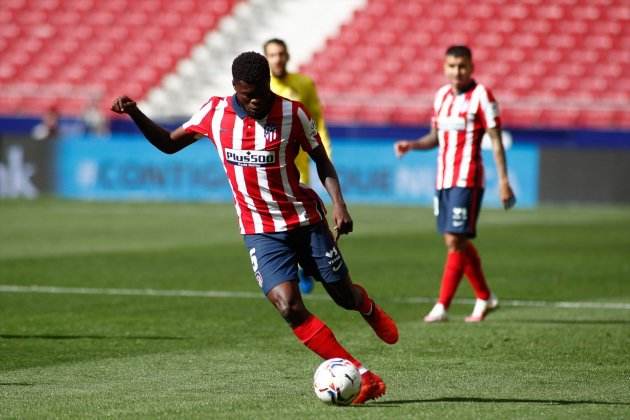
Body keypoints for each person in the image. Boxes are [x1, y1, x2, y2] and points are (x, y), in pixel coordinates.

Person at [111, 51, 398, 404]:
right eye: (249, 94)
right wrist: (137, 113)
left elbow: (321, 160)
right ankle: (362, 373)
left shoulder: (293, 113)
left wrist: (339, 203)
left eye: (262, 91)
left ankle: (365, 306)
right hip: (260, 230)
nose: (257, 99)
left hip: (305, 222)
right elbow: (169, 145)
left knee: (341, 295)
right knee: (289, 306)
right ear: (235, 87)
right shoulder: (214, 113)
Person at [394, 45, 516, 323]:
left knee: (455, 240)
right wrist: (412, 145)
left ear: (471, 67)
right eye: (451, 66)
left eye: (461, 66)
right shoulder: (441, 96)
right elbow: (435, 137)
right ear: (444, 67)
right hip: (443, 179)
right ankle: (485, 297)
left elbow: (496, 140)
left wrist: (505, 181)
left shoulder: (483, 96)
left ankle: (442, 305)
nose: (456, 71)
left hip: (468, 179)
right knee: (455, 239)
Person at [263, 38, 332, 295]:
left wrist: (324, 150)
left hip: (297, 162)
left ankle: (302, 266)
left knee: (296, 218)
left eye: (281, 53)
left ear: (288, 55)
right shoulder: (261, 86)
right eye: (272, 54)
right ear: (266, 58)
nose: (278, 58)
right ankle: (292, 264)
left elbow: (317, 119)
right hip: (269, 164)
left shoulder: (303, 84)